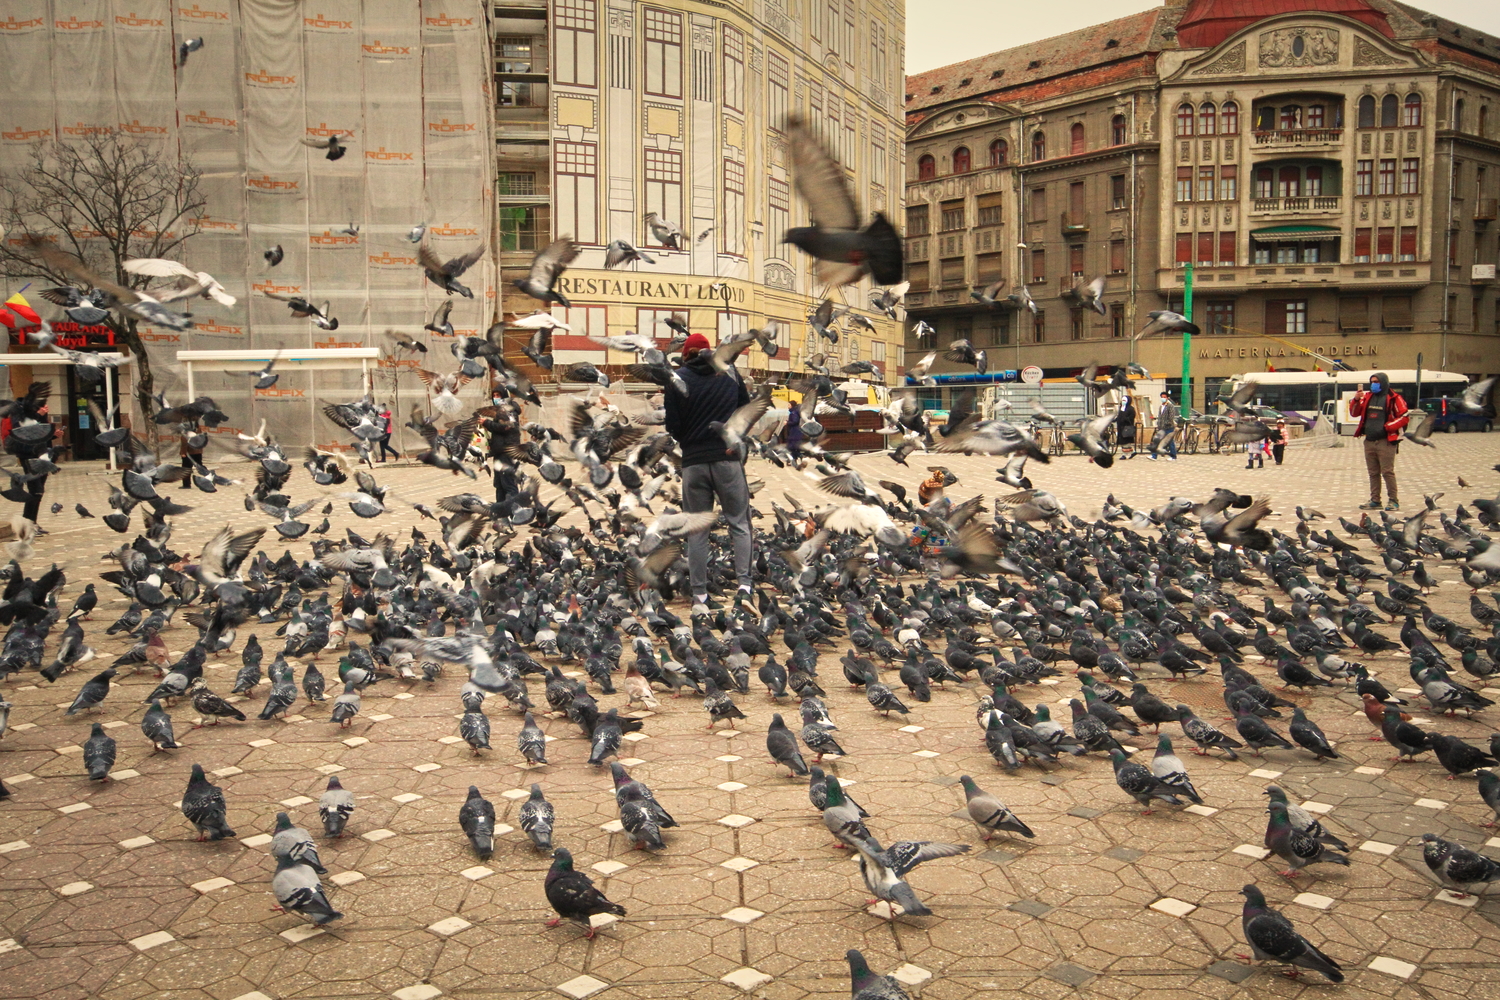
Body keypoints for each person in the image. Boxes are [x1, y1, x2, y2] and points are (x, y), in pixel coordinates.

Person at [662, 332, 753, 606]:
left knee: (697, 530)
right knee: (739, 523)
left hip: (693, 463)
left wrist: (690, 438)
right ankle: (745, 588)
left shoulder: (677, 379)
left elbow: (672, 427)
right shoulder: (730, 373)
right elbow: (745, 412)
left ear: (685, 353)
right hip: (727, 459)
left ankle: (700, 593)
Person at [1349, 370, 1408, 510]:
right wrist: (1356, 400)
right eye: (1372, 382)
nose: (1374, 385)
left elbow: (1404, 416)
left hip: (1386, 441)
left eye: (1376, 382)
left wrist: (1388, 427)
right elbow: (1354, 413)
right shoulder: (1367, 396)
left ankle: (1393, 501)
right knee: (1373, 473)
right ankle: (1375, 500)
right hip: (1369, 441)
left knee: (1387, 472)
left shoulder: (1394, 398)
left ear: (1384, 382)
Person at [1147, 393, 1178, 461]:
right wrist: (1158, 422)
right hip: (1161, 428)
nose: (1163, 398)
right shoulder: (1161, 406)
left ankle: (1173, 456)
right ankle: (1154, 456)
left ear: (1167, 398)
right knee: (1157, 441)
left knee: (1170, 442)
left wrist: (1166, 423)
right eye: (1162, 397)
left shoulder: (1170, 406)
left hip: (1169, 427)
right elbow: (1160, 416)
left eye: (1164, 397)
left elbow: (1171, 417)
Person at [1115, 393, 1137, 459]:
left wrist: (1124, 418)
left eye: (1124, 401)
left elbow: (1131, 417)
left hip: (1127, 427)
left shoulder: (1131, 409)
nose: (1123, 402)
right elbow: (1119, 416)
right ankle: (1132, 452)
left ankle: (1125, 454)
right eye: (1122, 400)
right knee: (1122, 441)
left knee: (1125, 441)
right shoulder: (1121, 408)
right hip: (1120, 427)